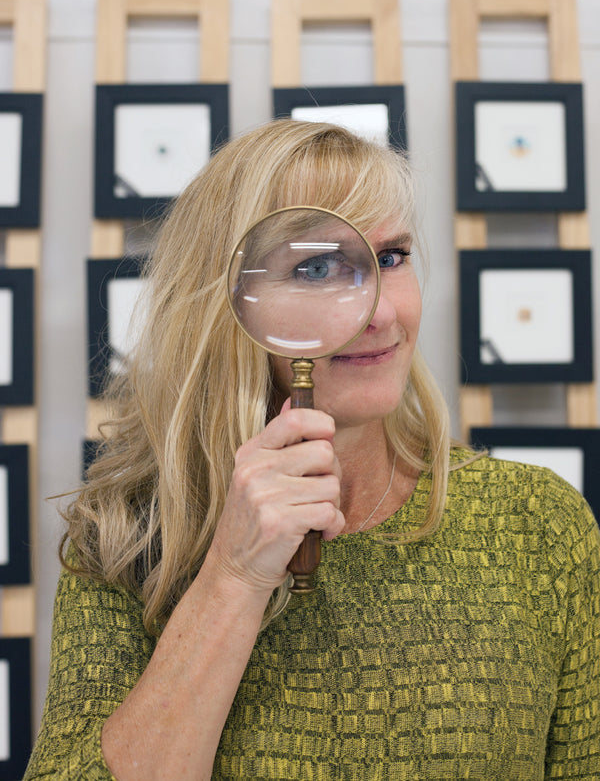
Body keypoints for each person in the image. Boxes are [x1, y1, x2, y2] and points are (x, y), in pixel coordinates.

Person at [25, 120, 600, 780]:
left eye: (391, 257)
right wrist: (233, 576)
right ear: (225, 302)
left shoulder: (538, 524)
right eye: (318, 267)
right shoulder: (125, 537)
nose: (380, 313)